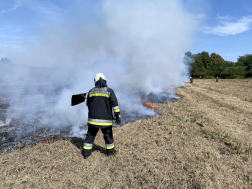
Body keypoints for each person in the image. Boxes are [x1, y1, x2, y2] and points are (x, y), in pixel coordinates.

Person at [83, 73, 121, 159]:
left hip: (92, 120)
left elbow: (88, 104)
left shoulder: (91, 91)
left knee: (90, 136)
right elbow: (115, 105)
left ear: (95, 81)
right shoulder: (109, 91)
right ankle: (111, 152)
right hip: (106, 121)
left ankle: (86, 153)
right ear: (105, 80)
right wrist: (117, 116)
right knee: (108, 136)